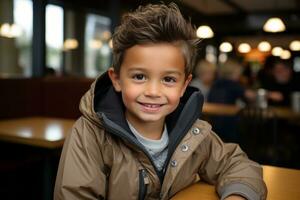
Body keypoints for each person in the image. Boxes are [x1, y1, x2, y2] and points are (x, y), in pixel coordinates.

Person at [54, 3, 267, 200]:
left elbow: (237, 163)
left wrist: (237, 196)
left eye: (168, 79)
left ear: (184, 85)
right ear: (117, 79)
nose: (153, 91)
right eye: (139, 76)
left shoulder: (194, 135)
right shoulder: (90, 136)